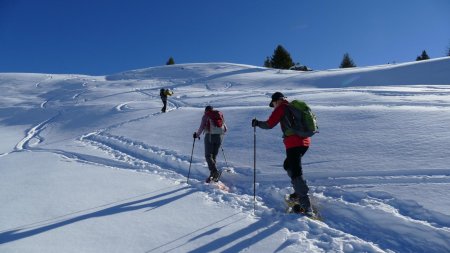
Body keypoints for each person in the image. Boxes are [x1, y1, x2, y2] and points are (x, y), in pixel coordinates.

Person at [251, 92, 313, 215]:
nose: (273, 106)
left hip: (293, 143)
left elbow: (269, 124)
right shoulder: (292, 107)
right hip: (304, 142)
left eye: (273, 104)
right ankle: (298, 192)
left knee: (295, 172)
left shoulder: (282, 108)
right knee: (288, 166)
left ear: (276, 101)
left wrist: (257, 123)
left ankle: (306, 206)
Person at [193, 105, 228, 182]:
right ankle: (213, 174)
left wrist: (197, 135)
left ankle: (214, 172)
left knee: (208, 155)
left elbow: (201, 127)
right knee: (213, 155)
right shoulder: (219, 114)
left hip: (209, 136)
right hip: (220, 137)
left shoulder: (206, 116)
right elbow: (225, 128)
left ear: (206, 110)